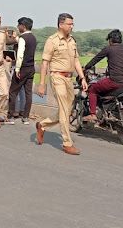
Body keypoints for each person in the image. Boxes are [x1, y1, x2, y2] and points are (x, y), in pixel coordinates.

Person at [36, 13, 87, 155]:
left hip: (69, 78)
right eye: (69, 24)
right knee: (64, 110)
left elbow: (76, 60)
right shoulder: (52, 41)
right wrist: (42, 83)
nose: (72, 26)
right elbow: (45, 63)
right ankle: (67, 143)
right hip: (57, 77)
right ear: (61, 24)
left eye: (72, 24)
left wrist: (82, 78)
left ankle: (42, 125)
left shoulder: (72, 41)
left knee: (67, 109)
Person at [83, 29, 123, 122]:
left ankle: (93, 114)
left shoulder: (109, 48)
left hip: (114, 81)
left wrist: (86, 68)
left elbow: (95, 59)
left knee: (92, 89)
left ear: (110, 40)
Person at [6, 17, 36, 125]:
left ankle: (10, 116)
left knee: (13, 92)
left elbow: (20, 55)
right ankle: (26, 117)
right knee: (28, 93)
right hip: (31, 68)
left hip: (22, 68)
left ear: (23, 26)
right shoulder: (33, 38)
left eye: (19, 25)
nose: (18, 27)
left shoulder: (23, 38)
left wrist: (17, 69)